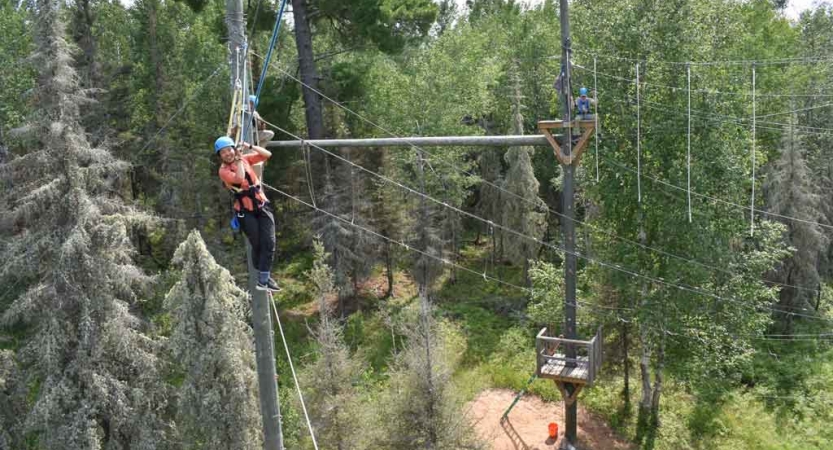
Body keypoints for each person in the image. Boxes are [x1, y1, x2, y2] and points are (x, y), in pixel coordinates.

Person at [215, 136, 280, 291]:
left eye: (229, 150)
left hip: (262, 206)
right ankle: (263, 275)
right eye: (223, 152)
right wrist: (238, 160)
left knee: (269, 243)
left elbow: (266, 155)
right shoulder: (223, 171)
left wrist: (248, 145)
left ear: (234, 149)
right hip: (245, 211)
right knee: (257, 243)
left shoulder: (244, 159)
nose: (227, 154)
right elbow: (239, 178)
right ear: (220, 156)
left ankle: (264, 279)